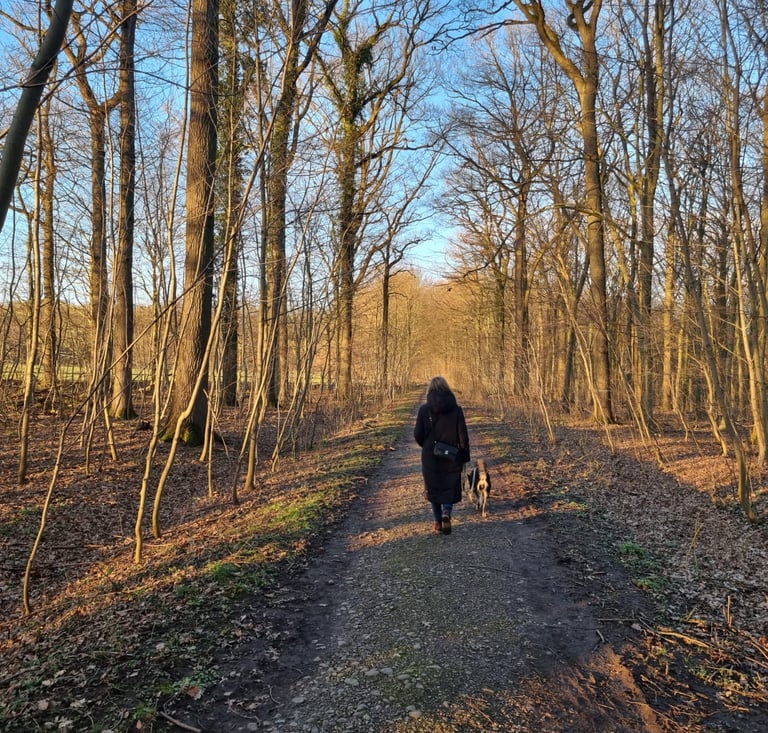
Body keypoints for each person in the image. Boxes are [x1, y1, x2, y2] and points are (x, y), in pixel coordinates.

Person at [413, 376, 470, 535]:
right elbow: (463, 436)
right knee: (449, 485)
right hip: (451, 455)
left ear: (429, 390)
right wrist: (464, 456)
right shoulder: (457, 410)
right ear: (447, 389)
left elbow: (417, 434)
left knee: (434, 488)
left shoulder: (424, 410)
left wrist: (426, 445)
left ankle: (438, 521)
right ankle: (447, 511)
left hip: (430, 455)